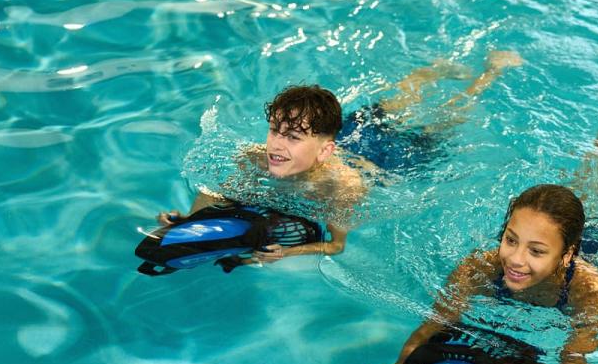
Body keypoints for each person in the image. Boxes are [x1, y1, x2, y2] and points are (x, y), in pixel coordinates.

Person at [156, 51, 524, 266]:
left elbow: (336, 244)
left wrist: (288, 252)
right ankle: (435, 70)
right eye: (274, 131)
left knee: (444, 122)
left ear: (322, 149)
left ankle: (492, 71)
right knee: (392, 103)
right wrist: (189, 220)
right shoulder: (253, 159)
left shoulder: (342, 187)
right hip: (346, 138)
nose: (276, 146)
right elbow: (217, 194)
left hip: (387, 162)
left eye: (293, 138)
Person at [363, 184, 598, 364]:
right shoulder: (480, 267)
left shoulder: (590, 290)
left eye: (536, 251)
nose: (515, 259)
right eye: (510, 239)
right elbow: (431, 327)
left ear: (567, 253)